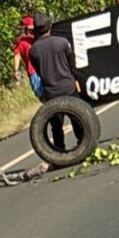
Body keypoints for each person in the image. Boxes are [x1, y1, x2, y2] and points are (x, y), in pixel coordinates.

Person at [29, 12, 84, 150]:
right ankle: (83, 145)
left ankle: (59, 151)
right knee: (78, 119)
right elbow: (72, 64)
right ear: (50, 26)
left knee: (56, 126)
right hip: (68, 88)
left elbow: (39, 71)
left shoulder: (33, 50)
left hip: (51, 92)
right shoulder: (62, 42)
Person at [13, 15, 44, 100]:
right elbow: (17, 55)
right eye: (30, 29)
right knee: (41, 94)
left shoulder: (39, 37)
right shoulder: (22, 42)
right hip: (33, 71)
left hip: (44, 68)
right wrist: (16, 70)